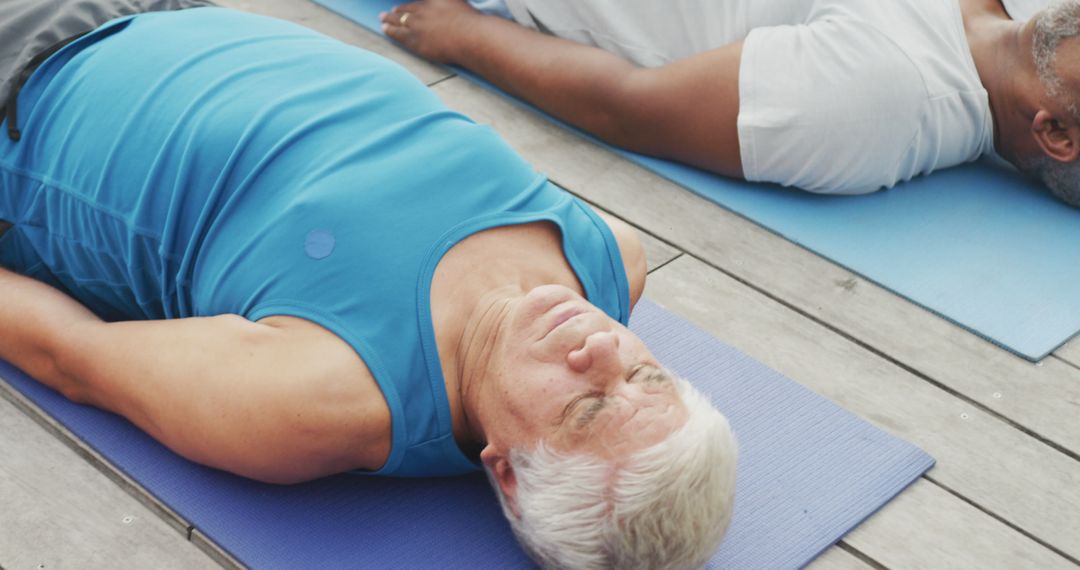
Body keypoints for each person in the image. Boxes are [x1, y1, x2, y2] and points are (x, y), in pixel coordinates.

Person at [0, 3, 738, 568]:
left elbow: (69, 355)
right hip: (172, 15)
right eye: (646, 373)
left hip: (22, 89)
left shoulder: (316, 399)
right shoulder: (611, 257)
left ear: (508, 474)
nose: (600, 347)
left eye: (586, 407)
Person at [380, 0, 1080, 206]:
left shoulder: (887, 94)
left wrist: (467, 35)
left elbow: (628, 105)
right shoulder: (1017, 13)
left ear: (1055, 132)